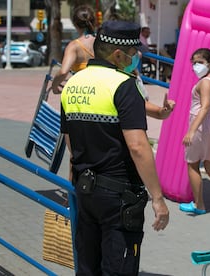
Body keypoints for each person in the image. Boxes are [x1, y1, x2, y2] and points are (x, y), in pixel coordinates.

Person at [60, 20, 169, 275]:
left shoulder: (74, 84)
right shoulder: (124, 85)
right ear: (118, 54)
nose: (136, 58)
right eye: (133, 53)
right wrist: (158, 198)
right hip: (119, 196)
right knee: (118, 266)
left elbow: (70, 142)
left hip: (84, 189)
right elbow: (138, 147)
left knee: (88, 265)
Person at [179, 48, 210, 216]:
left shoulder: (205, 82)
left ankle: (199, 205)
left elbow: (205, 107)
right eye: (193, 63)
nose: (196, 66)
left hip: (202, 126)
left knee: (192, 164)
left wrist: (191, 131)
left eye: (200, 62)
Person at [52, 5, 96, 94]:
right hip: (101, 91)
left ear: (75, 24)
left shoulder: (74, 46)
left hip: (81, 94)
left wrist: (54, 86)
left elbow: (63, 72)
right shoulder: (102, 42)